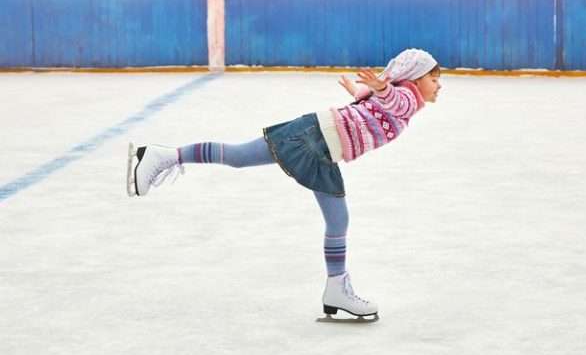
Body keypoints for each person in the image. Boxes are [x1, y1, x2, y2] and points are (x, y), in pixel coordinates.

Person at [126, 48, 442, 321]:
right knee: (238, 156)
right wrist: (383, 88)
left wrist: (366, 91)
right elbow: (396, 101)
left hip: (324, 151)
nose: (438, 85)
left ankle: (336, 288)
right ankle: (163, 156)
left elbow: (379, 105)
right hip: (312, 139)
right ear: (414, 81)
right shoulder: (407, 101)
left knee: (336, 219)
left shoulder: (399, 103)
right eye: (433, 78)